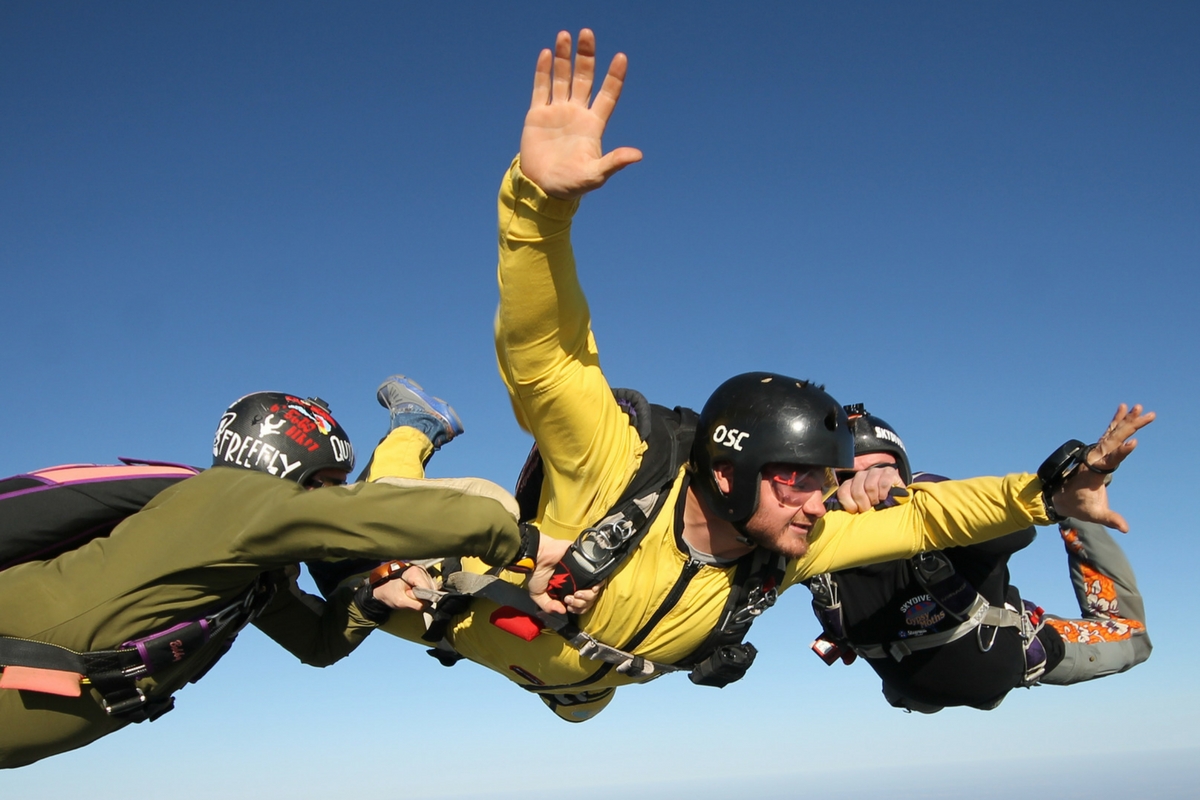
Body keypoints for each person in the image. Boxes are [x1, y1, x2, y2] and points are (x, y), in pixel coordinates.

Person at [366, 29, 1156, 723]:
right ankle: (414, 428)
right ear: (726, 470)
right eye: (797, 480)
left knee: (573, 698)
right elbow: (548, 353)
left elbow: (925, 520)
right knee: (386, 539)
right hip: (467, 607)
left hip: (582, 684)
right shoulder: (615, 462)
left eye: (824, 481)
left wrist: (1047, 494)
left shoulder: (785, 549)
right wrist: (539, 208)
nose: (823, 502)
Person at [0, 386, 567, 769]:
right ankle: (414, 431)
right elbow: (362, 518)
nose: (335, 496)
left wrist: (371, 597)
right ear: (283, 465)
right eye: (326, 482)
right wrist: (526, 544)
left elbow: (315, 644)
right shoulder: (224, 500)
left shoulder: (246, 574)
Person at [806, 405, 1151, 713]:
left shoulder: (937, 515)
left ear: (904, 474)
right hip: (916, 684)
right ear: (826, 487)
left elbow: (1014, 530)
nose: (868, 482)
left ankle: (1078, 514)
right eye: (848, 475)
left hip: (1003, 652)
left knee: (1130, 637)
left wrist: (913, 498)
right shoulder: (810, 542)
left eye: (882, 468)